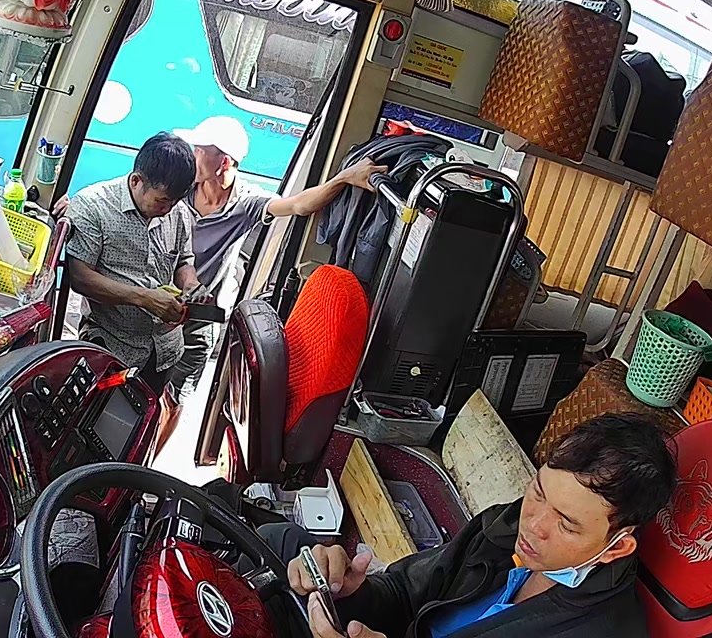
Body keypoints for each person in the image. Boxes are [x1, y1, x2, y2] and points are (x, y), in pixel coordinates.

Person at [271, 413, 678, 638]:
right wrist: (352, 590)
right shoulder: (503, 527)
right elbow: (405, 591)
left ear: (617, 546)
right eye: (539, 492)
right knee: (279, 539)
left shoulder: (604, 632)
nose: (533, 525)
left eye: (567, 525)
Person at [166, 116, 386, 404]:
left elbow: (298, 205)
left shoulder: (245, 202)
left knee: (175, 399)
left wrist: (343, 178)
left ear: (224, 162)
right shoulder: (181, 188)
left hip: (199, 314)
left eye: (199, 150)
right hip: (160, 300)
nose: (191, 155)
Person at [62, 131, 203, 398]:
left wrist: (191, 284)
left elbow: (184, 260)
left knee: (147, 417)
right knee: (101, 418)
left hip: (164, 352)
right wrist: (144, 298)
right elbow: (80, 278)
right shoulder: (94, 206)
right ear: (136, 180)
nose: (168, 209)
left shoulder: (177, 211)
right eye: (162, 201)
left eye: (175, 202)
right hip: (112, 351)